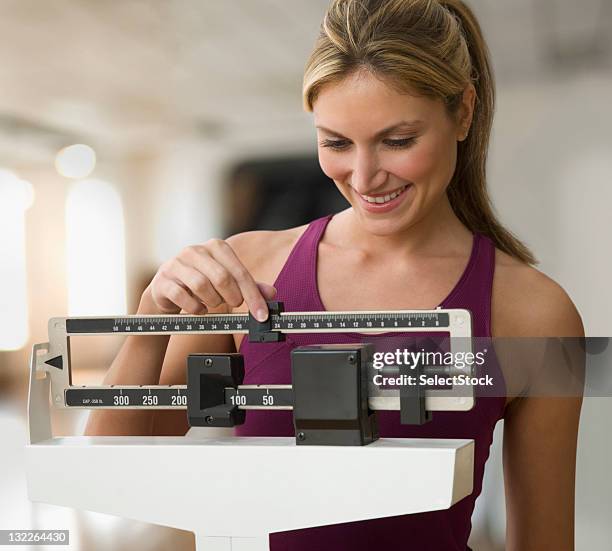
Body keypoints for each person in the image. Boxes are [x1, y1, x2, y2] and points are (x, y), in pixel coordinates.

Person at [85, 0, 584, 549]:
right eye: (337, 143)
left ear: (463, 112)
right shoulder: (252, 271)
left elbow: (544, 539)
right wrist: (151, 317)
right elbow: (115, 469)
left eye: (398, 140)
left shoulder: (532, 312)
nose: (365, 176)